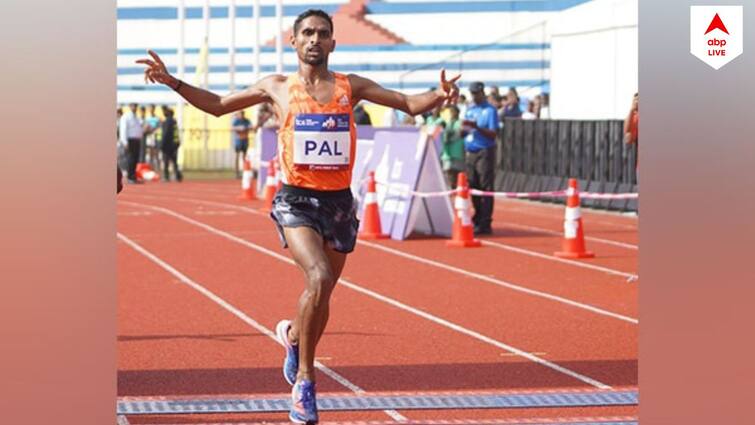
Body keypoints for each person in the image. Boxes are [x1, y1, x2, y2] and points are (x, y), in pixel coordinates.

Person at [137, 9, 459, 424]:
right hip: (296, 200)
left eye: (323, 34)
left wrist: (439, 97)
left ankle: (292, 338)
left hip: (339, 202)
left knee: (322, 295)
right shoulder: (277, 88)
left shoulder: (350, 86)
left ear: (333, 43)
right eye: (307, 33)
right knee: (319, 276)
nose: (315, 40)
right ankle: (305, 381)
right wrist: (172, 82)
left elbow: (409, 105)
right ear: (294, 41)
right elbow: (218, 106)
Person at [461, 81, 499, 235]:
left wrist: (477, 127)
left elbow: (493, 133)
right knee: (473, 185)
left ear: (482, 93)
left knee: (485, 186)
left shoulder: (490, 110)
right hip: (471, 150)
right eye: (472, 94)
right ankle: (477, 216)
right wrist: (463, 130)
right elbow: (464, 131)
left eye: (476, 93)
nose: (474, 96)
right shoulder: (470, 109)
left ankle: (486, 221)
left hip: (484, 150)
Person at [119, 103, 144, 184]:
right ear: (130, 106)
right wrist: (125, 141)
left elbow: (139, 128)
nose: (135, 107)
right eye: (133, 106)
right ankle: (130, 177)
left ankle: (133, 176)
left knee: (135, 159)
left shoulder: (137, 117)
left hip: (137, 140)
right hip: (130, 140)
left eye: (136, 106)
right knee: (131, 159)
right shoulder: (126, 117)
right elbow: (123, 130)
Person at [441, 105, 465, 188]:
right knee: (448, 174)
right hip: (448, 154)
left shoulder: (461, 123)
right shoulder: (448, 123)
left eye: (453, 112)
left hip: (458, 153)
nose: (451, 114)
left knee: (457, 175)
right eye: (450, 112)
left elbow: (459, 134)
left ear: (457, 112)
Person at [161, 107, 183, 182]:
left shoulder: (167, 122)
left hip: (168, 145)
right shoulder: (174, 121)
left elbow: (165, 134)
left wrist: (162, 144)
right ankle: (178, 176)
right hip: (174, 145)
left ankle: (166, 177)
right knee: (174, 162)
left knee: (166, 161)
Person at [232, 110, 252, 178]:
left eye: (242, 114)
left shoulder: (246, 120)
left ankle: (245, 172)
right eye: (240, 114)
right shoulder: (236, 121)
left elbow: (251, 126)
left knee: (244, 157)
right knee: (237, 156)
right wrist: (239, 128)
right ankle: (236, 173)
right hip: (238, 141)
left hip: (245, 140)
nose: (242, 115)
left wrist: (248, 128)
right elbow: (232, 127)